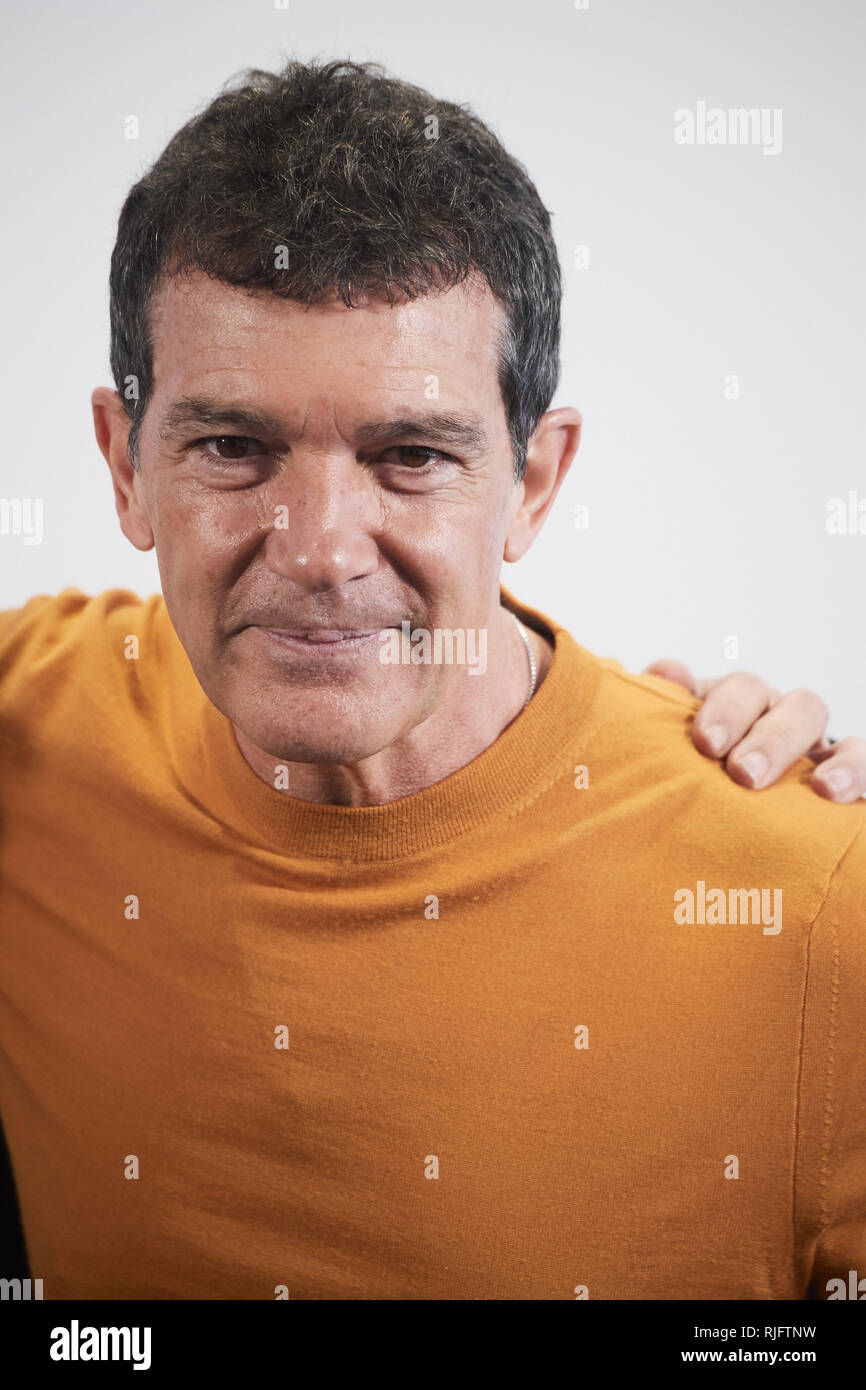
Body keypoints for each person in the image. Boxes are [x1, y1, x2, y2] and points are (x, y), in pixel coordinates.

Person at [0, 58, 863, 1301]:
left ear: (534, 481)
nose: (316, 551)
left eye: (409, 455)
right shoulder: (35, 728)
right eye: (232, 448)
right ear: (124, 464)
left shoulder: (814, 907)